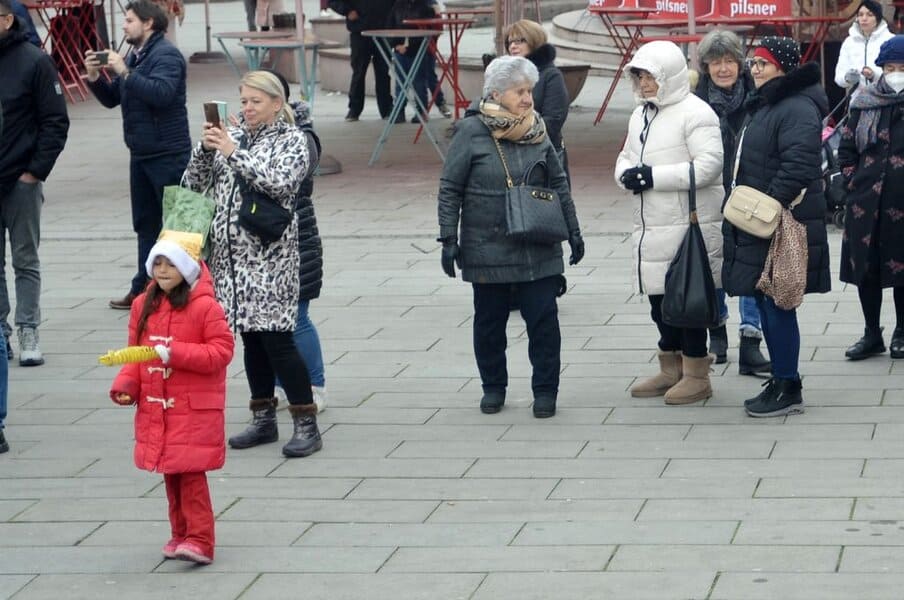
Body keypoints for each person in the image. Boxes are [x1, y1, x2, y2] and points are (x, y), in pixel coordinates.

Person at [182, 70, 323, 458]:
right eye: (243, 101)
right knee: (250, 338)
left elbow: (279, 183)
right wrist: (205, 149)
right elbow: (192, 184)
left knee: (278, 340)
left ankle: (306, 422)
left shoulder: (292, 140)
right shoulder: (233, 136)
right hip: (229, 262)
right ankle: (263, 418)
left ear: (276, 104)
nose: (247, 108)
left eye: (255, 101)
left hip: (270, 259)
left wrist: (232, 152)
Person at [437, 55, 584, 418]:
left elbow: (559, 183)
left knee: (544, 322)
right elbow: (450, 187)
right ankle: (493, 386)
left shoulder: (538, 129)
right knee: (489, 324)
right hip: (487, 246)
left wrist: (574, 231)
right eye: (519, 91)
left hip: (538, 242)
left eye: (529, 91)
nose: (528, 98)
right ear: (496, 94)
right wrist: (448, 238)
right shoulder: (471, 132)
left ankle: (545, 390)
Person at [109, 230, 235, 565]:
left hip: (193, 409)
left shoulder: (204, 306)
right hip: (158, 407)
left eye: (171, 264)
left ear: (187, 268)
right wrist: (127, 385)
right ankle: (180, 534)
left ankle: (200, 540)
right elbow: (136, 352)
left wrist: (173, 353)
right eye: (158, 263)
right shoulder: (143, 304)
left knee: (191, 476)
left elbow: (221, 352)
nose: (162, 270)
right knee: (171, 475)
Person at [722, 37, 831, 417]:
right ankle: (782, 379)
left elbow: (799, 166)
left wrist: (764, 206)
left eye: (763, 63)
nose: (755, 69)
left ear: (782, 66)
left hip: (777, 222)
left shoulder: (796, 107)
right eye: (753, 63)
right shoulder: (768, 103)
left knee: (778, 300)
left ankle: (788, 383)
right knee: (765, 298)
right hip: (761, 221)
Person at [614, 40, 724, 405]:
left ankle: (697, 374)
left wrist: (653, 177)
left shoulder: (697, 112)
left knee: (688, 301)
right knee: (659, 302)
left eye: (651, 76)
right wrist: (627, 175)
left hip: (687, 225)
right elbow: (626, 155)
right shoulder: (640, 114)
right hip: (651, 224)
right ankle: (670, 367)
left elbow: (710, 166)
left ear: (670, 76)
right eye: (640, 76)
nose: (644, 83)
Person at [84, 0, 191, 312]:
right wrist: (95, 77)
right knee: (145, 224)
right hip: (141, 152)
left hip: (168, 154)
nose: (124, 25)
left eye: (129, 20)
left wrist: (125, 71)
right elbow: (112, 98)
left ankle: (184, 289)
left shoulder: (166, 55)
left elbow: (161, 94)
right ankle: (144, 289)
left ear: (148, 23)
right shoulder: (136, 55)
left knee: (176, 226)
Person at [693, 29, 771, 376]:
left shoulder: (758, 99)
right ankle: (718, 328)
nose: (723, 68)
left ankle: (750, 340)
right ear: (706, 67)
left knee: (751, 266)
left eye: (729, 61)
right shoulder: (695, 104)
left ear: (740, 64)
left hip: (749, 194)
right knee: (714, 264)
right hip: (709, 195)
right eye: (716, 62)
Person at [0, 0, 70, 368]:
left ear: (7, 20)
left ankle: (28, 329)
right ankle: (1, 332)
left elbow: (55, 121)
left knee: (25, 258)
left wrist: (35, 172)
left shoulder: (34, 61)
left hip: (21, 179)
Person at [838, 35, 904, 361]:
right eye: (890, 67)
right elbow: (846, 148)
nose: (896, 73)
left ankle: (902, 332)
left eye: (902, 67)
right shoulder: (864, 101)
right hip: (865, 202)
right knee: (866, 268)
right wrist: (853, 180)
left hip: (900, 202)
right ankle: (871, 333)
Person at [504, 19, 570, 181]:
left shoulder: (550, 75)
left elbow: (553, 120)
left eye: (519, 41)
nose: (513, 46)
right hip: (510, 155)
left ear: (534, 41)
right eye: (510, 42)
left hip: (544, 156)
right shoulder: (505, 76)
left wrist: (517, 133)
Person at [327, 0, 395, 122]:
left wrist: (393, 20)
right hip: (359, 30)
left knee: (383, 71)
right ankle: (354, 109)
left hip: (383, 29)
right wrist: (347, 11)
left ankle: (386, 108)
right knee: (359, 72)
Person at [388, 0, 436, 123]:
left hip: (418, 50)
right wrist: (396, 45)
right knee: (400, 83)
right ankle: (399, 111)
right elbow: (390, 25)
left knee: (419, 83)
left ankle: (421, 111)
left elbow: (427, 31)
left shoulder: (425, 7)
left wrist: (409, 47)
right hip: (399, 49)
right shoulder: (398, 5)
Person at [834, 0, 894, 95]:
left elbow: (896, 77)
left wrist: (874, 75)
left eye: (870, 15)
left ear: (878, 18)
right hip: (857, 100)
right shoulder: (849, 42)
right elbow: (838, 78)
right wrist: (847, 78)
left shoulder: (890, 41)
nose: (864, 18)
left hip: (885, 99)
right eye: (860, 15)